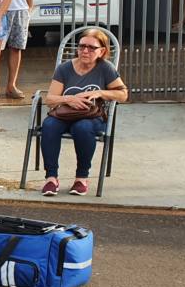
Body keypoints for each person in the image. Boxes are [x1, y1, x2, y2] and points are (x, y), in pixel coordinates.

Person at [40, 27, 127, 197]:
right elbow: (50, 99)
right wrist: (69, 99)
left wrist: (101, 92)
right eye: (81, 46)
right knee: (49, 125)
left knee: (82, 128)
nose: (85, 51)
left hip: (91, 116)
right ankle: (51, 178)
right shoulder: (65, 68)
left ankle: (81, 178)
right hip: (65, 113)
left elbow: (123, 94)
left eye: (91, 47)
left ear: (102, 51)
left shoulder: (105, 68)